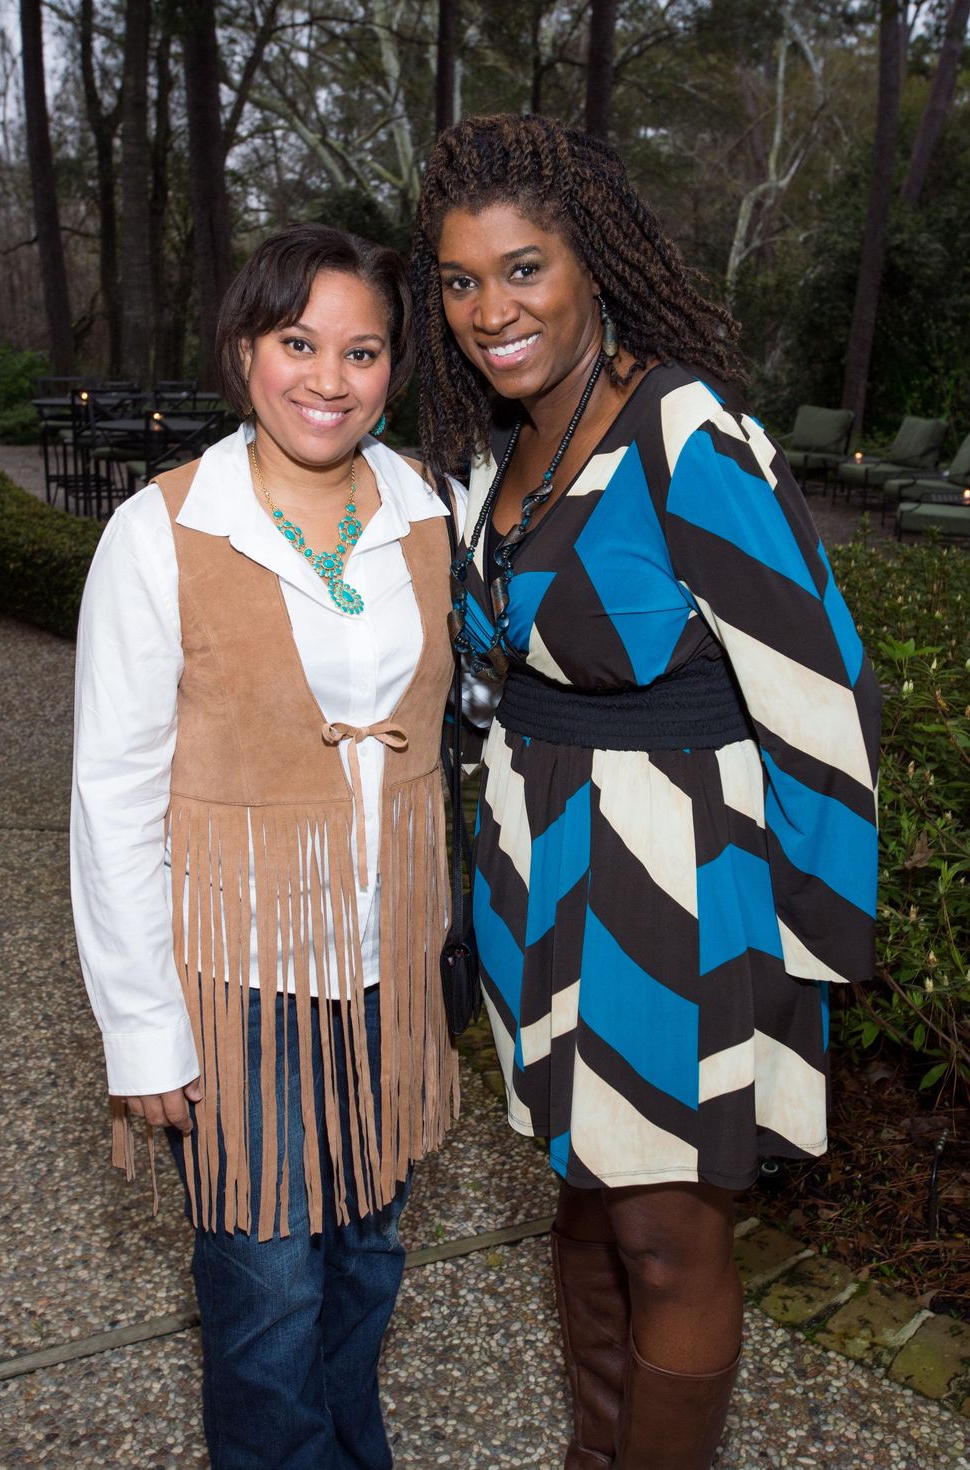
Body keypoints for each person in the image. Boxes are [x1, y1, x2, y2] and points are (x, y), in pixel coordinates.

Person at [410, 115, 880, 1470]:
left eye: (523, 268)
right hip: (548, 884)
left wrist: (810, 943)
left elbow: (818, 688)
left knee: (668, 1238)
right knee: (587, 1207)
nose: (490, 309)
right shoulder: (499, 454)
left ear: (592, 261)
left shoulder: (684, 427)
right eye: (457, 280)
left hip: (678, 892)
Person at [70, 223, 462, 1470]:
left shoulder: (429, 511)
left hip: (387, 967)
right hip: (239, 977)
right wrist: (142, 1029)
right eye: (299, 343)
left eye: (362, 351)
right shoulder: (162, 530)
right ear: (246, 349)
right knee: (264, 1297)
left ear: (394, 368)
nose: (328, 379)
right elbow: (111, 793)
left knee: (367, 1265)